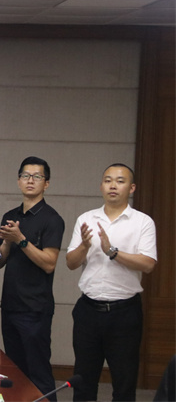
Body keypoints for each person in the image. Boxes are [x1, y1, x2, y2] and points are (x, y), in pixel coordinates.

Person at [66, 163, 157, 402]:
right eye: (108, 180)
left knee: (124, 384)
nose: (113, 185)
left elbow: (148, 264)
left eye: (120, 181)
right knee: (83, 382)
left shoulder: (142, 222)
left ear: (132, 188)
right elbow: (71, 263)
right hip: (88, 310)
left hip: (124, 313)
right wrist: (85, 246)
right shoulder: (86, 219)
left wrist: (112, 251)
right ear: (101, 186)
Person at [0, 156, 64, 400]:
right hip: (10, 305)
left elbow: (49, 263)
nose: (30, 180)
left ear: (46, 183)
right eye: (25, 176)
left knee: (39, 373)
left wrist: (20, 240)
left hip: (35, 309)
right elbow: (0, 262)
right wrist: (5, 243)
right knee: (16, 373)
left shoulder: (52, 219)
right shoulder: (10, 215)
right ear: (18, 181)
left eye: (37, 176)